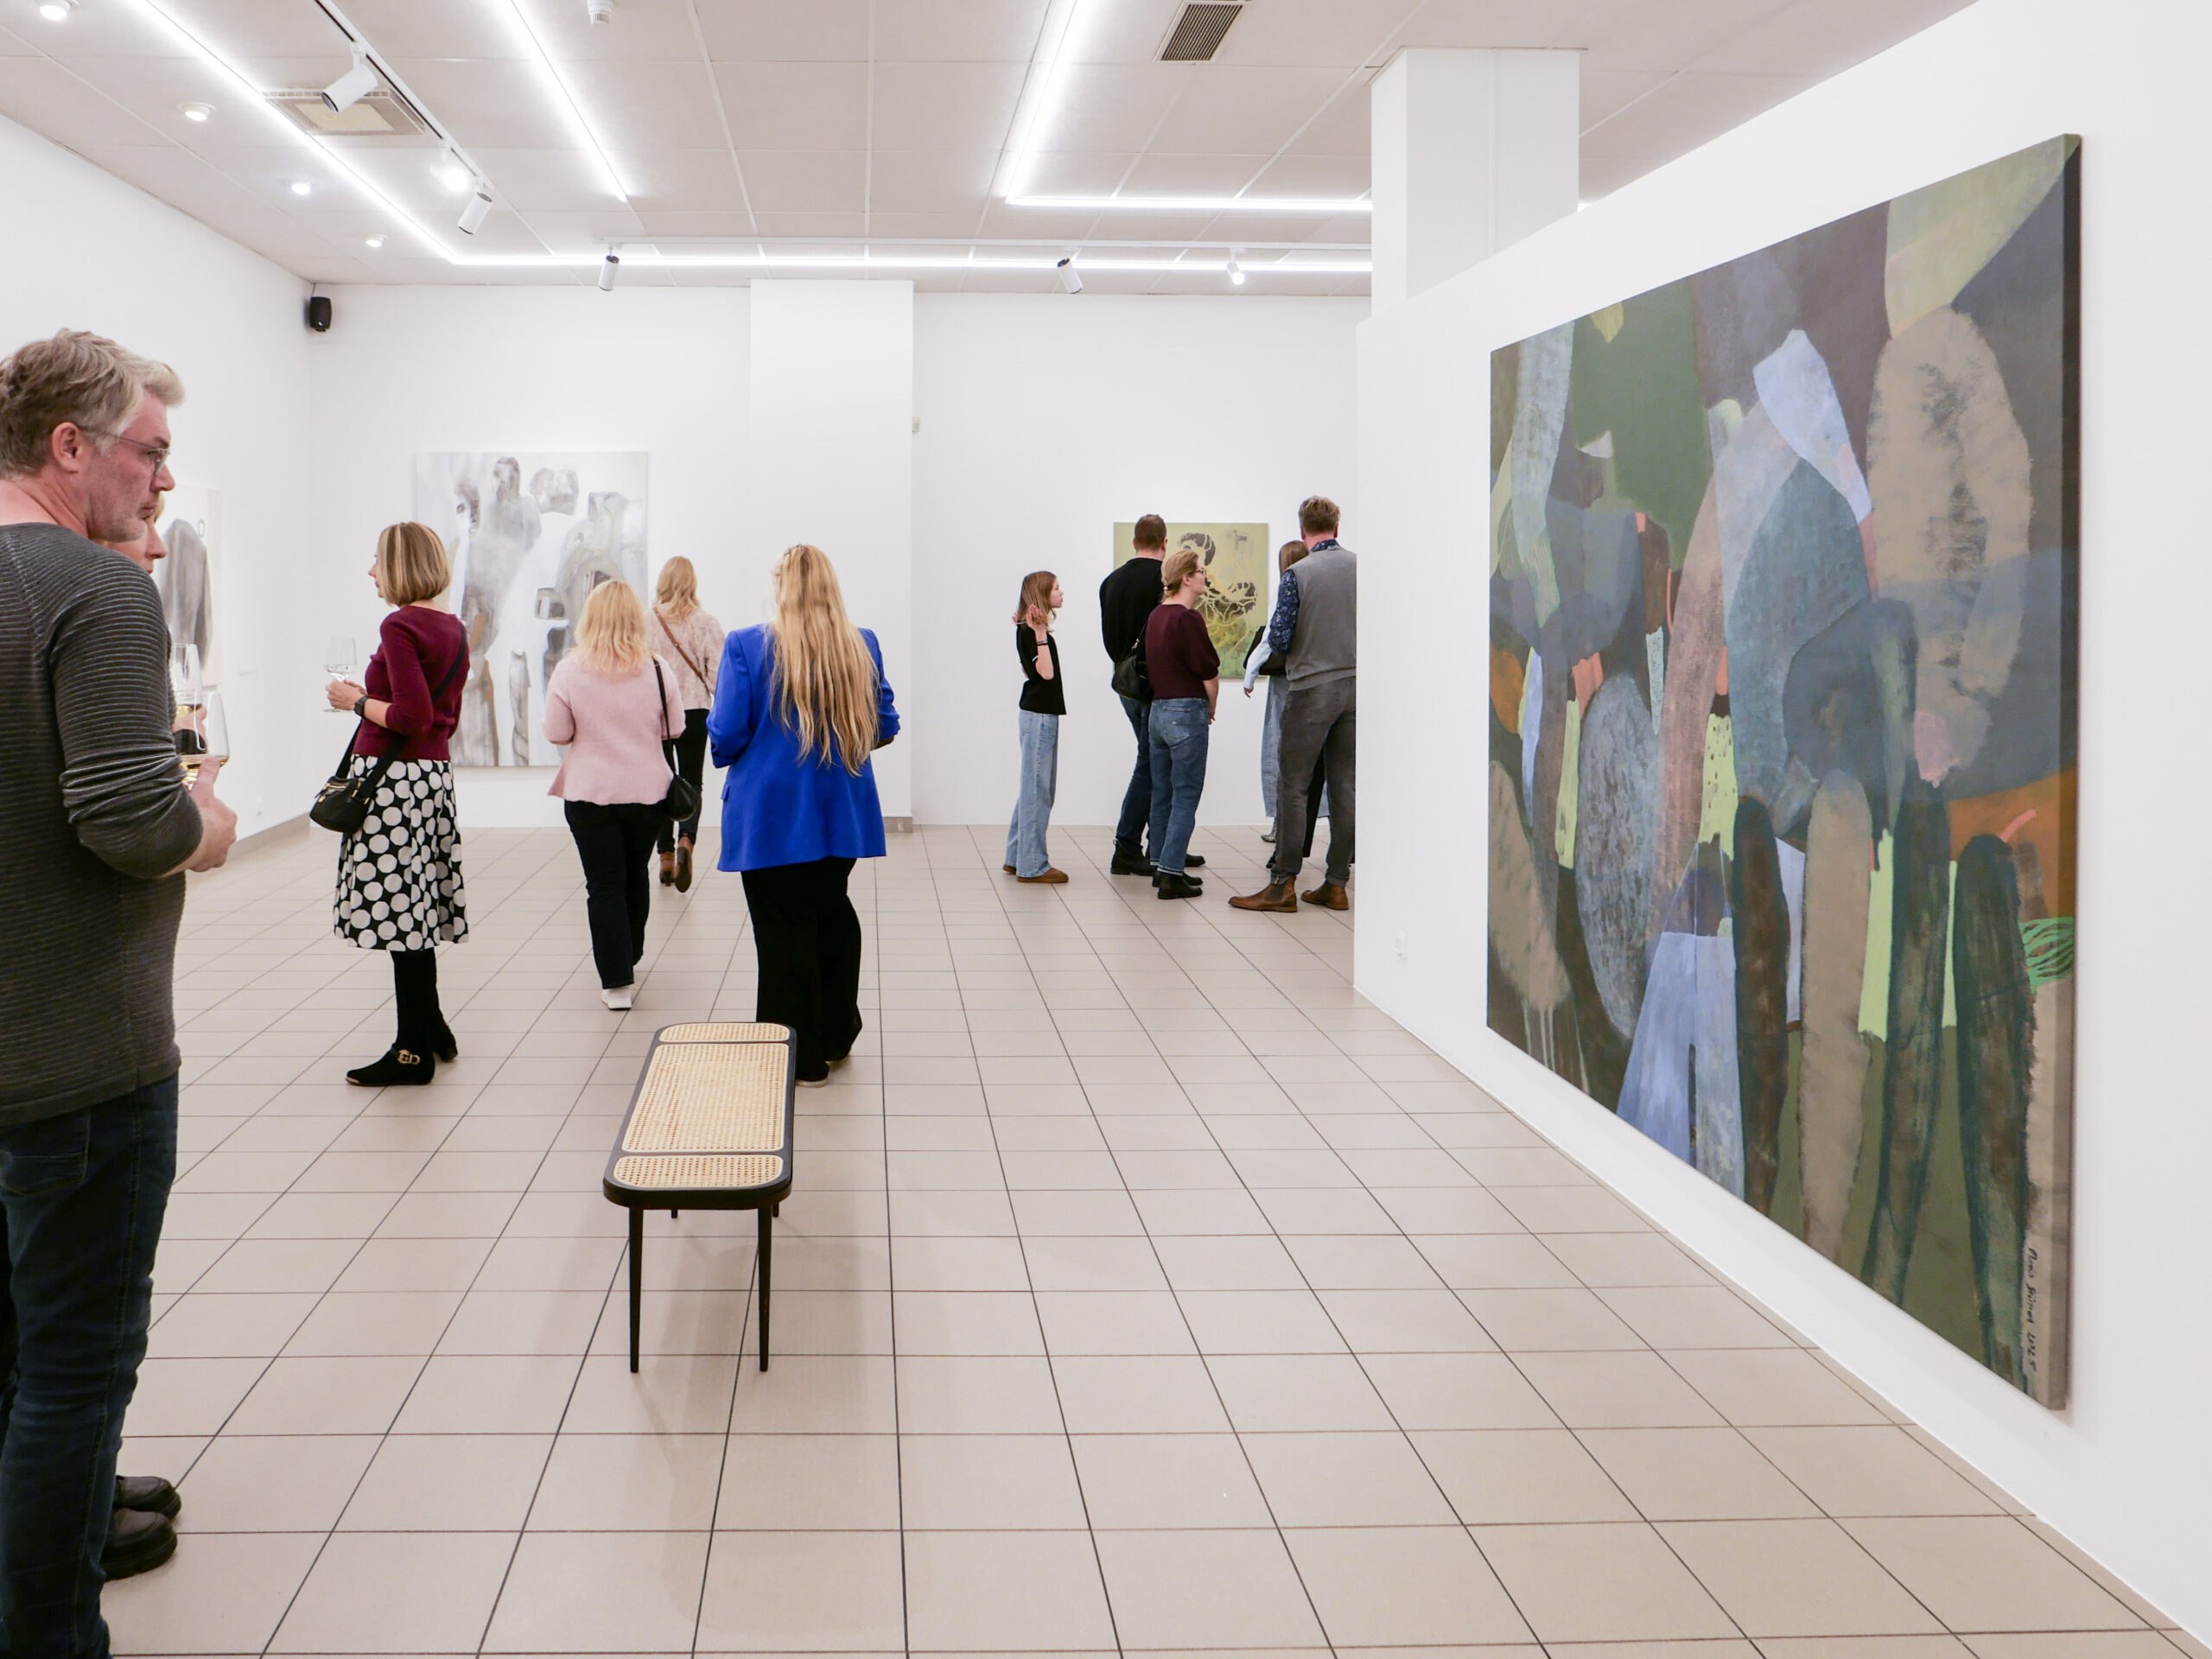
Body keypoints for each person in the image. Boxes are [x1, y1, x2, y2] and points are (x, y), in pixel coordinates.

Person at [0, 329, 237, 1649]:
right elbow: (128, 821)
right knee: (74, 1374)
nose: (165, 480)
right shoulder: (93, 590)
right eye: (150, 451)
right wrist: (208, 823)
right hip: (80, 1058)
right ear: (70, 446)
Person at [711, 544, 899, 1084]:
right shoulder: (861, 643)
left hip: (770, 814)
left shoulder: (747, 644)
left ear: (781, 586)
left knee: (780, 931)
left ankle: (798, 1054)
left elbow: (726, 734)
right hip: (840, 810)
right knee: (829, 911)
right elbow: (884, 724)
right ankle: (836, 1033)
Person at [324, 522, 471, 1084]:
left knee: (398, 914)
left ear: (401, 567)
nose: (371, 572)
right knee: (414, 907)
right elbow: (435, 718)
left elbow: (413, 717)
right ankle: (431, 1028)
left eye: (379, 561)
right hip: (427, 780)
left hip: (394, 787)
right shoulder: (451, 626)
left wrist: (355, 701)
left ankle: (411, 1051)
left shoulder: (401, 624)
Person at [545, 581, 688, 1011]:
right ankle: (631, 952)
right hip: (647, 793)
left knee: (604, 884)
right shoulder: (658, 668)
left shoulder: (569, 670)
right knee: (635, 873)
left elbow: (557, 733)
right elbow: (676, 729)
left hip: (589, 793)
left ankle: (616, 980)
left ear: (590, 617)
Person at [1233, 495, 1356, 913]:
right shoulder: (1363, 568)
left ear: (1303, 531)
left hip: (1311, 689)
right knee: (1344, 786)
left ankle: (1283, 883)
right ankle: (1336, 884)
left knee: (1293, 785)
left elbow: (1281, 639)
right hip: (1355, 688)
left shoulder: (1298, 574)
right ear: (1336, 527)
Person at [1097, 513, 1203, 880]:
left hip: (1125, 684)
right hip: (1156, 688)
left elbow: (1110, 639)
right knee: (1151, 766)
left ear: (1134, 542)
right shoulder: (1161, 580)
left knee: (1156, 765)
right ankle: (1129, 847)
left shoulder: (1110, 582)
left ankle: (1164, 847)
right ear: (1164, 542)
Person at [1143, 548, 1218, 901]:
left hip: (1158, 713)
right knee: (1186, 794)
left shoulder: (1156, 615)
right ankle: (1172, 873)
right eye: (1201, 571)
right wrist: (1211, 707)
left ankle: (1160, 863)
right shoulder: (1188, 619)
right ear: (1187, 578)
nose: (1205, 577)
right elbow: (1209, 672)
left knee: (1163, 792)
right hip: (1186, 711)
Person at [1243, 538, 1329, 846]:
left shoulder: (1288, 589)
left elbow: (1272, 639)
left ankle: (1284, 830)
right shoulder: (1320, 593)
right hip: (1318, 681)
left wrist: (1250, 673)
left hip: (1286, 683)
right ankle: (1333, 833)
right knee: (1322, 756)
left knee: (1282, 754)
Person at [648, 556, 721, 893]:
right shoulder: (705, 623)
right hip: (693, 712)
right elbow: (719, 676)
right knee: (692, 781)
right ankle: (686, 842)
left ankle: (664, 856)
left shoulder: (645, 622)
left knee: (659, 783)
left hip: (656, 713)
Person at [1003, 570, 1067, 885]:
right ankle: (1033, 865)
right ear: (1041, 594)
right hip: (1039, 716)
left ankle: (1016, 857)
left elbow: (1028, 671)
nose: (1061, 593)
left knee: (1033, 787)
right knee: (1038, 790)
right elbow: (1045, 673)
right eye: (1056, 588)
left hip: (1037, 715)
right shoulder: (1032, 633)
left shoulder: (1024, 630)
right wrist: (1041, 634)